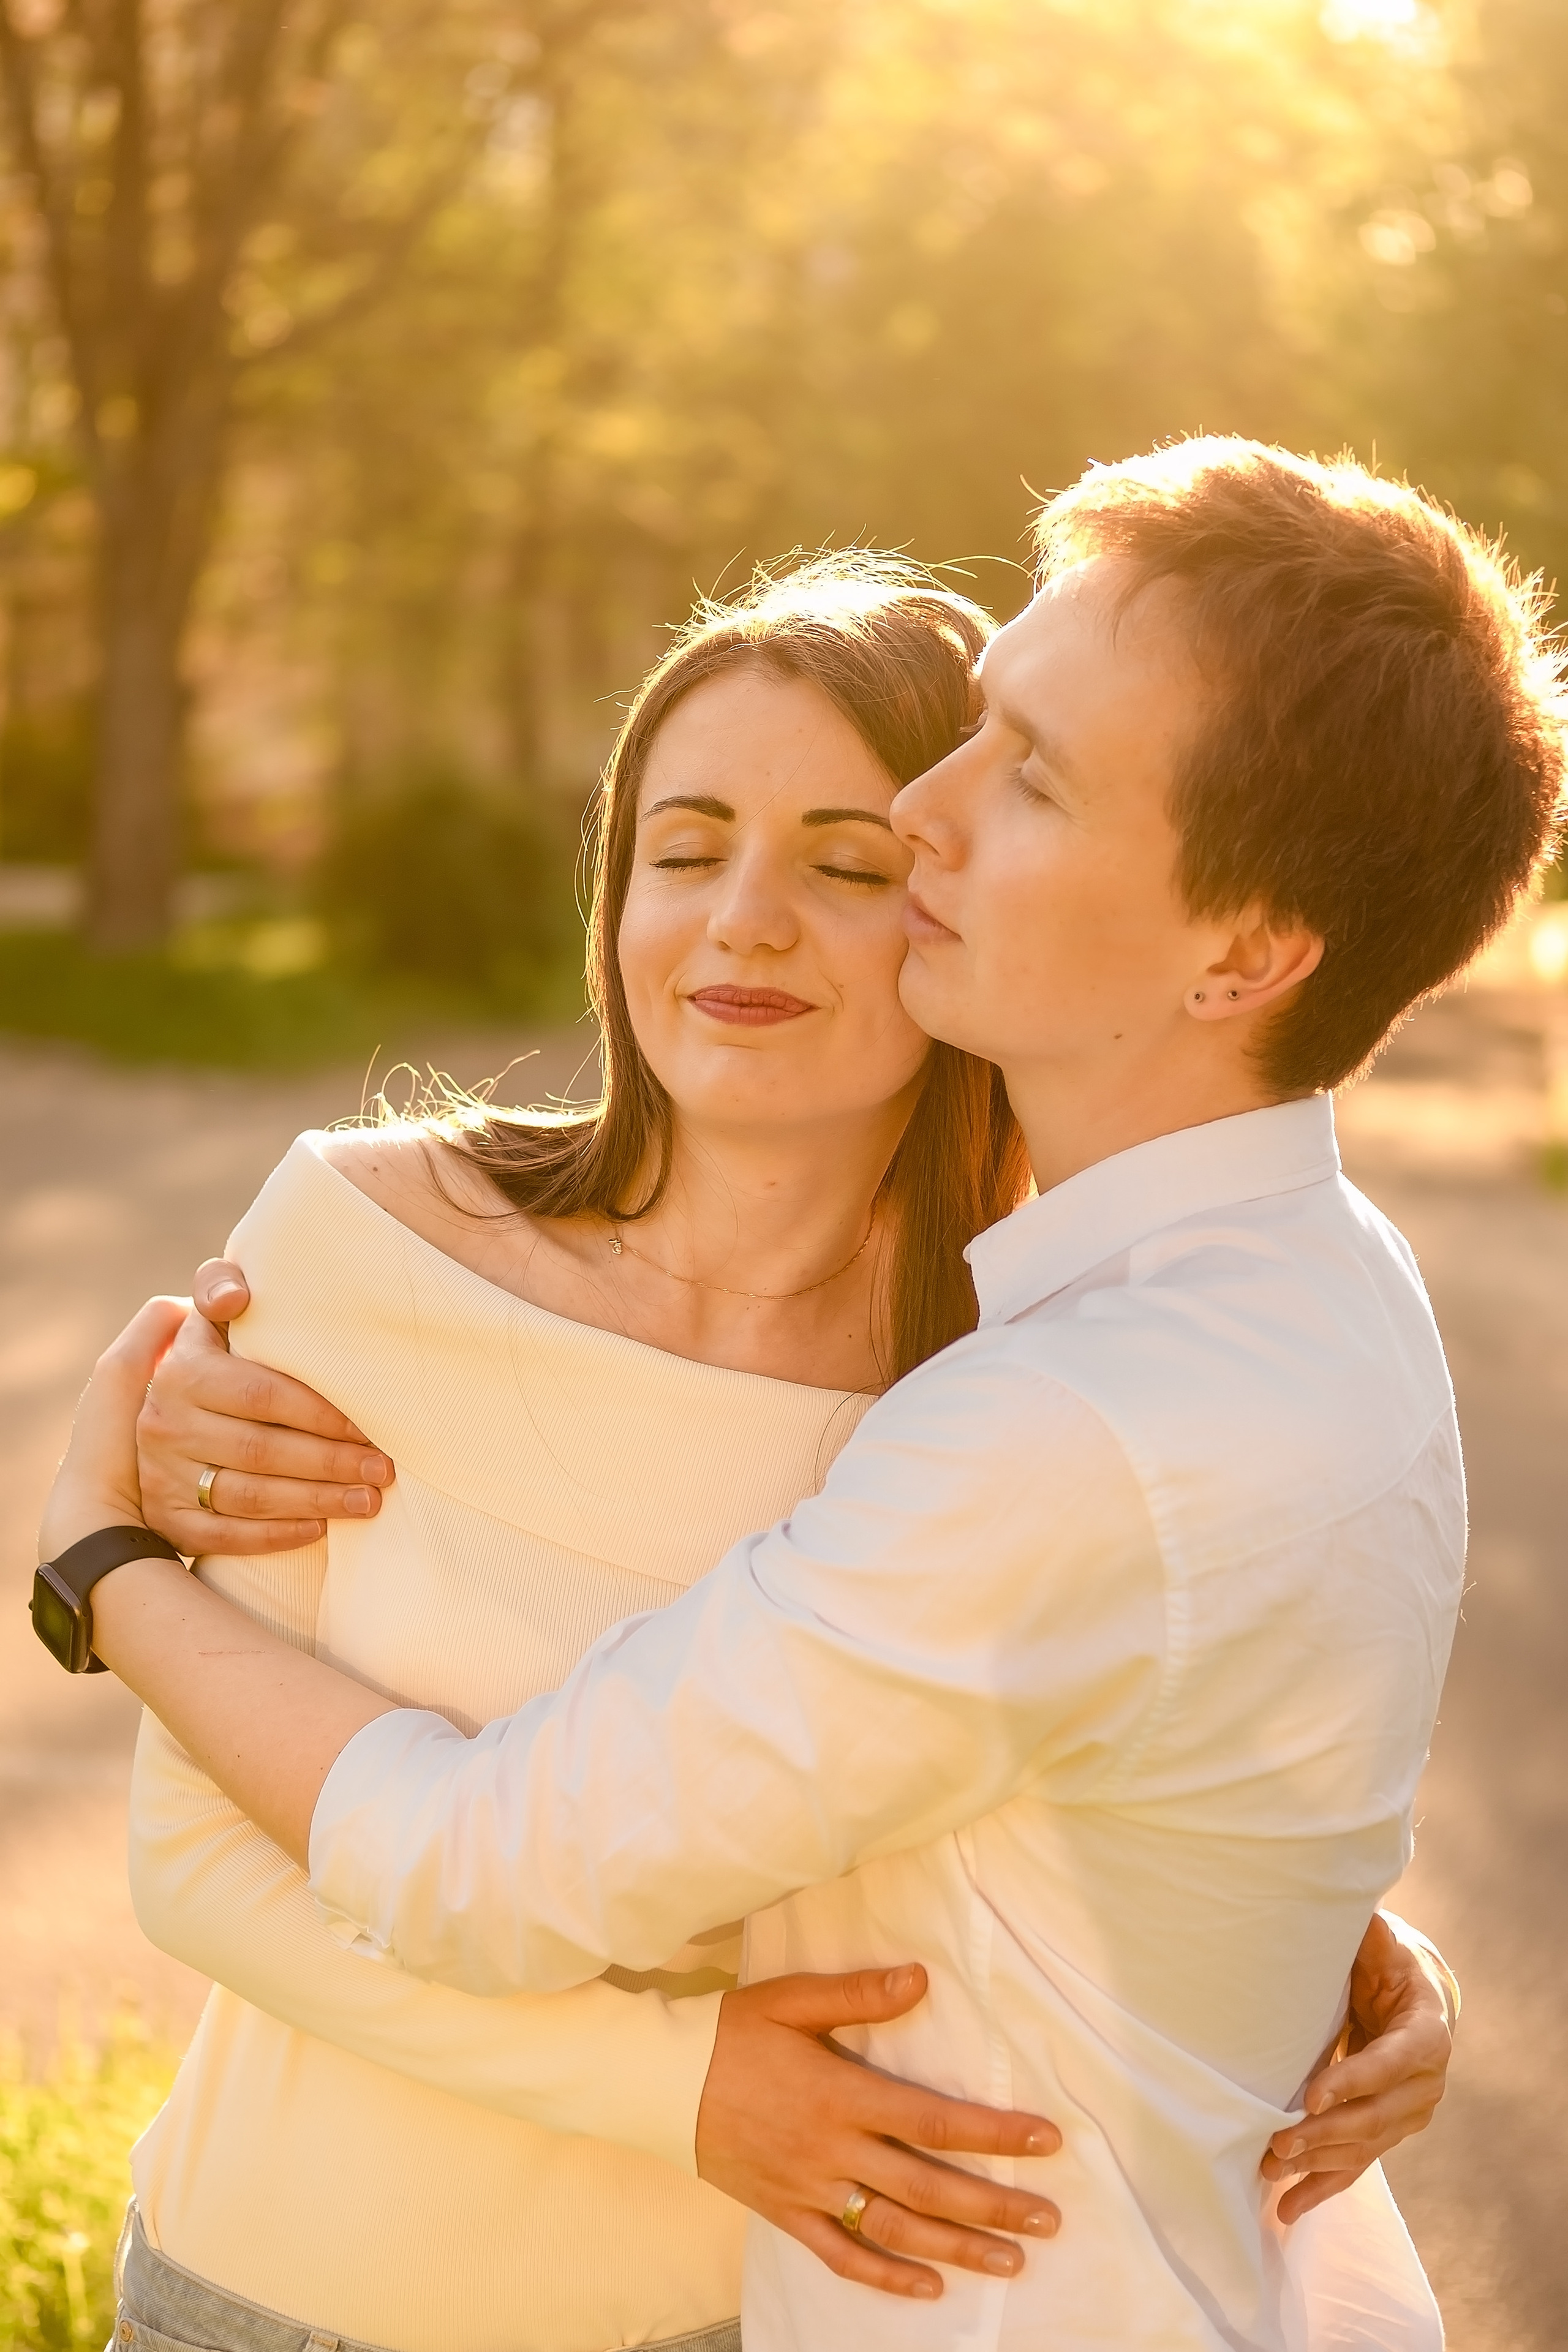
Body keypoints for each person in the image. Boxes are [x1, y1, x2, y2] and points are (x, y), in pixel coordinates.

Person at [43, 439, 1541, 2343]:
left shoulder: (1011, 1399)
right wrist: (1284, 1939)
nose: (922, 821)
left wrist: (98, 1563)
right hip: (282, 2290)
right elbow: (192, 1848)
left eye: (1002, 786)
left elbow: (504, 1861)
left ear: (1246, 950)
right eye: (684, 846)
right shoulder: (365, 1239)